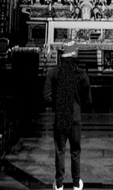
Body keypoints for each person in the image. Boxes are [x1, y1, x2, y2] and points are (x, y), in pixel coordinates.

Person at [43, 41, 92, 190]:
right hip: (75, 116)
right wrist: (78, 106)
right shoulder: (82, 75)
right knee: (75, 151)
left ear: (62, 54)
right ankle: (76, 184)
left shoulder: (53, 72)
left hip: (61, 115)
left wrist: (57, 105)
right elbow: (88, 100)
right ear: (75, 55)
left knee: (60, 150)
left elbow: (46, 96)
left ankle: (59, 184)